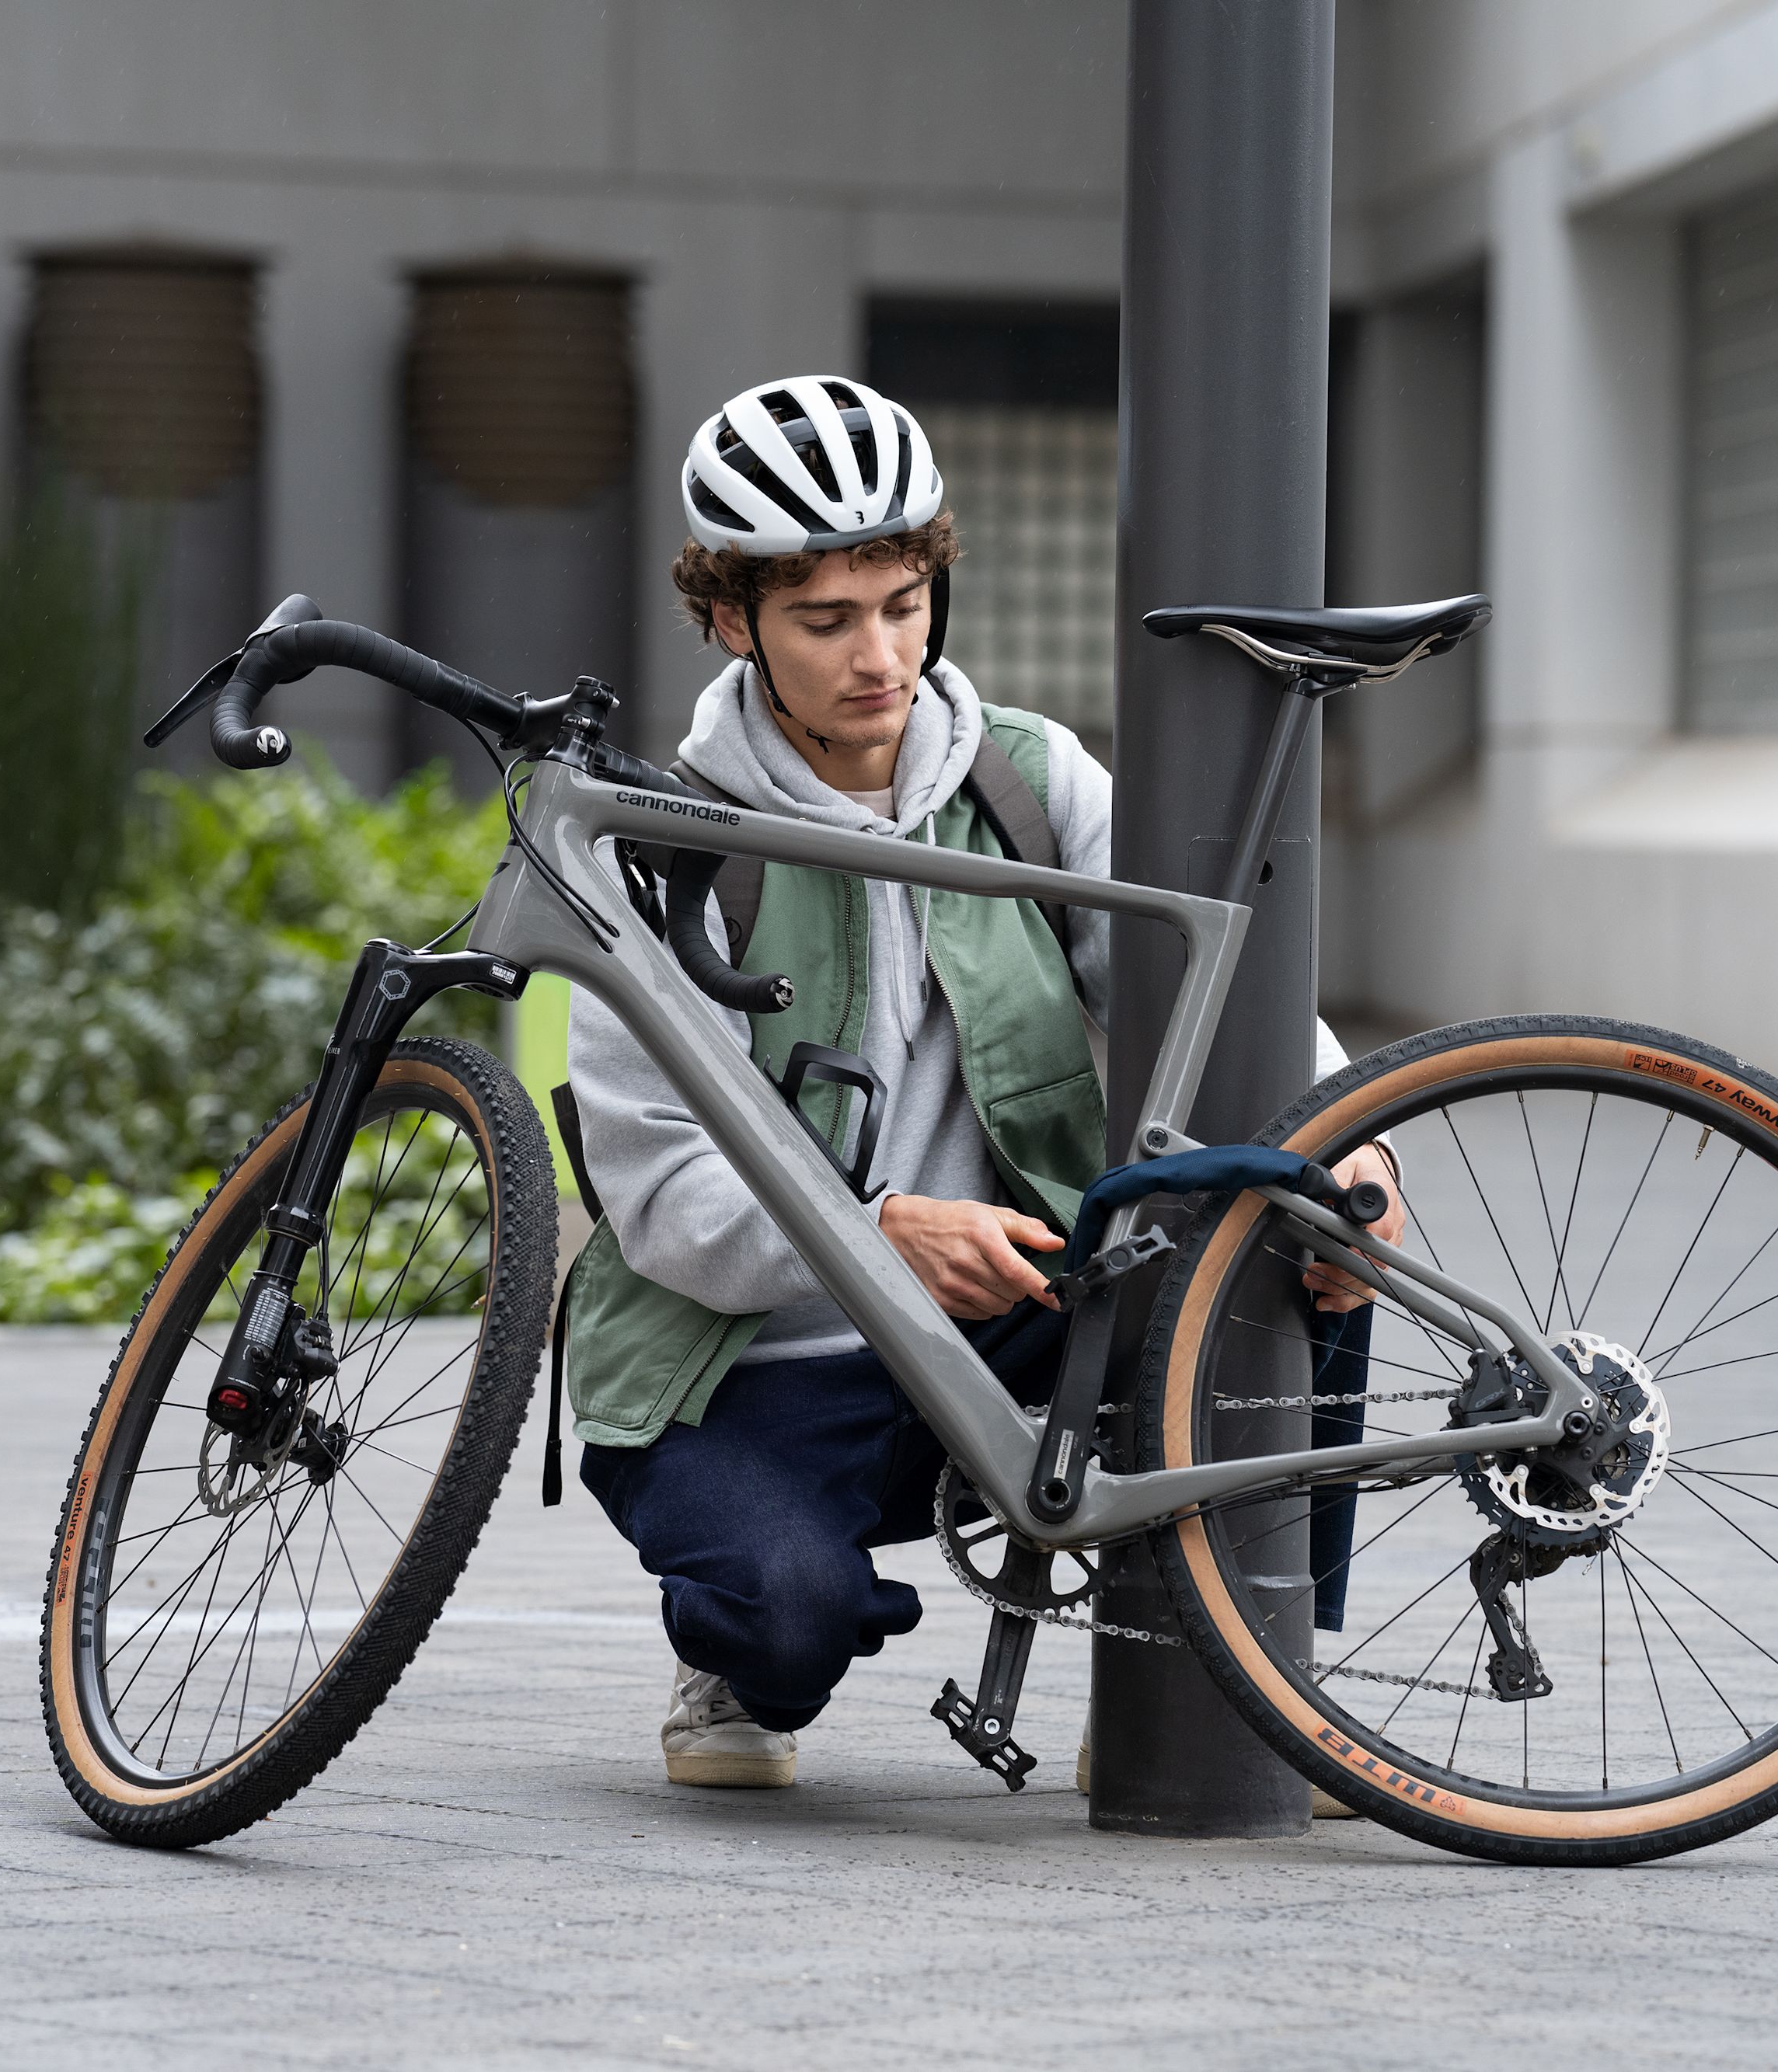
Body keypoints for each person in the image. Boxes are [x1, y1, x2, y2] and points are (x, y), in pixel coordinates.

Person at [561, 374, 1402, 1792]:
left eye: (903, 604)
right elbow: (659, 1195)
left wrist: (1345, 1141)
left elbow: (1207, 996)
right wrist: (879, 1232)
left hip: (1019, 1322)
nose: (879, 655)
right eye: (826, 620)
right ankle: (738, 1658)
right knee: (787, 1613)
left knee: (1290, 1238)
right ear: (732, 620)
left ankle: (1229, 1680)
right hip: (753, 1368)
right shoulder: (667, 848)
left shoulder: (1025, 779)